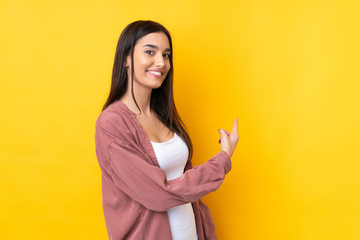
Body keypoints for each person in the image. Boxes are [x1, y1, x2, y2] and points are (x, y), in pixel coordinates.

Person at [95, 20, 239, 240]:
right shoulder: (111, 124)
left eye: (166, 55)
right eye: (150, 52)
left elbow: (186, 186)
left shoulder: (164, 116)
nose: (160, 62)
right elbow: (158, 194)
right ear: (126, 58)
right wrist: (222, 160)